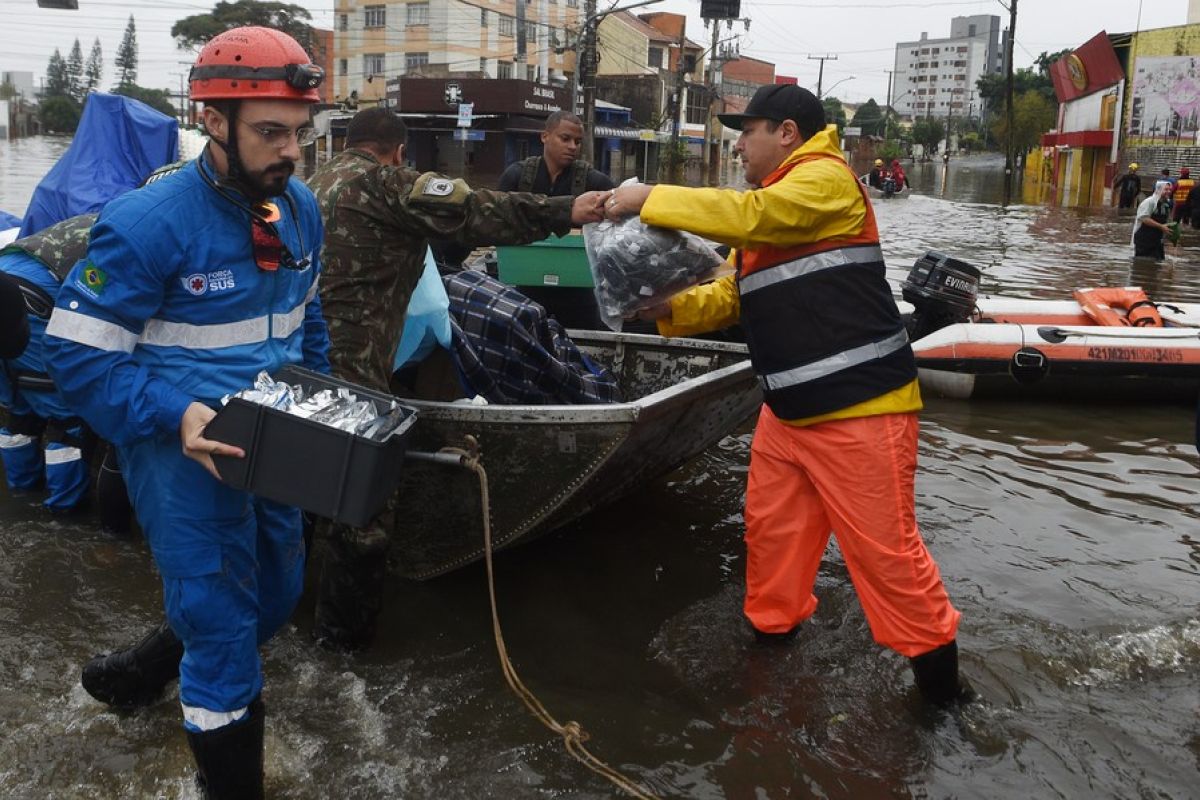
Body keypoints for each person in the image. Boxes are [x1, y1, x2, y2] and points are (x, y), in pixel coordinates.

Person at [603, 83, 968, 706]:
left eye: (749, 131)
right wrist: (662, 310)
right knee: (771, 543)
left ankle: (944, 701)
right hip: (789, 411)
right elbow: (736, 295)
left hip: (861, 409)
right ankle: (770, 656)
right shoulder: (776, 203)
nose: (739, 143)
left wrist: (650, 197)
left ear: (788, 134)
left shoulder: (825, 179)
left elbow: (748, 217)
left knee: (887, 560)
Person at [43, 26, 330, 798]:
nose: (291, 151)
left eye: (301, 133)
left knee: (276, 593)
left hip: (269, 435)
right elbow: (76, 354)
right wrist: (175, 416)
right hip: (177, 444)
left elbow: (307, 321)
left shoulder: (298, 209)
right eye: (271, 133)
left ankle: (143, 671)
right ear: (212, 119)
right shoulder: (147, 222)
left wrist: (328, 412)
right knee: (225, 634)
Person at [305, 107, 610, 651]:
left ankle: (296, 609)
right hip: (353, 369)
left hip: (298, 361)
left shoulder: (314, 183)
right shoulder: (380, 183)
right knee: (364, 505)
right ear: (398, 152)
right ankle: (340, 649)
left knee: (310, 483)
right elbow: (474, 209)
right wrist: (569, 210)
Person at [0, 213, 132, 528]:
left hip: (9, 276)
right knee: (65, 419)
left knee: (18, 408)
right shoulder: (131, 234)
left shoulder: (102, 219)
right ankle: (64, 516)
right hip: (32, 302)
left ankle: (20, 497)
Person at [498, 110, 615, 195]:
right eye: (565, 139)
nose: (573, 147)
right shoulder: (516, 176)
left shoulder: (595, 182)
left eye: (577, 141)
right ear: (545, 137)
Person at [1132, 179, 1175, 260]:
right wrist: (1161, 226)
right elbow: (1144, 218)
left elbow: (1167, 221)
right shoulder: (1149, 202)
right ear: (1158, 190)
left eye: (1170, 189)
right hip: (1144, 239)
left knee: (1158, 263)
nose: (1169, 191)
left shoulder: (1166, 204)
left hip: (1157, 239)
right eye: (1166, 189)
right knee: (1144, 264)